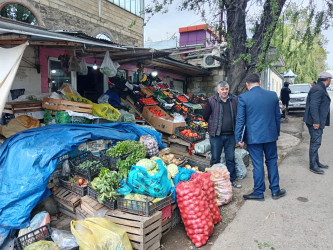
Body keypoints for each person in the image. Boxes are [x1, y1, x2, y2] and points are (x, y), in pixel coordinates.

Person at [235, 73, 286, 200]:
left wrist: (239, 139)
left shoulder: (243, 98)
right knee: (272, 162)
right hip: (270, 135)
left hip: (254, 137)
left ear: (247, 84)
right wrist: (276, 132)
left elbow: (240, 120)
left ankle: (258, 192)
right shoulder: (272, 95)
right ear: (260, 82)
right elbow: (277, 117)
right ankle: (275, 190)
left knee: (258, 164)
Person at [203, 81, 241, 188]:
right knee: (215, 158)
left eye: (226, 89)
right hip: (216, 135)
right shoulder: (211, 101)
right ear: (218, 90)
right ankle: (213, 180)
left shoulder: (234, 100)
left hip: (231, 135)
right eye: (222, 89)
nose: (224, 91)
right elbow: (205, 116)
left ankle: (231, 180)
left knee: (230, 158)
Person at [303, 71, 332, 174]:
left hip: (316, 120)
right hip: (314, 121)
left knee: (315, 141)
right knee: (316, 142)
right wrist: (316, 122)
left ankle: (316, 162)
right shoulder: (318, 89)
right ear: (328, 79)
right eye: (330, 80)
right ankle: (313, 165)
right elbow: (314, 106)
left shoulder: (319, 87)